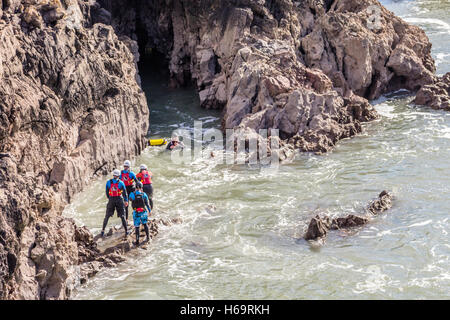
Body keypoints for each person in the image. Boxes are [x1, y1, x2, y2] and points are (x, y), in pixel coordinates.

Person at [101, 169, 129, 238]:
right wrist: (126, 201)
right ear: (119, 176)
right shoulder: (121, 183)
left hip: (111, 199)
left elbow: (107, 193)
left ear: (113, 175)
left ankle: (102, 230)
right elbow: (125, 193)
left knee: (107, 216)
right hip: (119, 199)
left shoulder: (108, 182)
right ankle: (126, 231)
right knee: (122, 216)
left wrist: (110, 198)